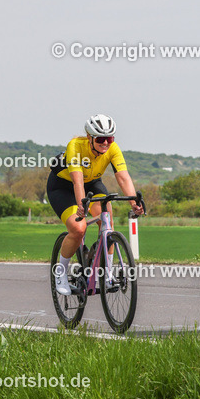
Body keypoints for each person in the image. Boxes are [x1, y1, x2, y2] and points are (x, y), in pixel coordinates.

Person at [48, 114, 143, 295]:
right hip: (63, 187)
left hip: (92, 184)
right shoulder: (75, 146)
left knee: (107, 222)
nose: (106, 143)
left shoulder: (113, 149)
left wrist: (134, 202)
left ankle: (106, 274)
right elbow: (77, 181)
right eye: (100, 139)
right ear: (89, 138)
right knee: (78, 228)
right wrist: (81, 206)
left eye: (109, 139)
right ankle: (60, 272)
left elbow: (123, 177)